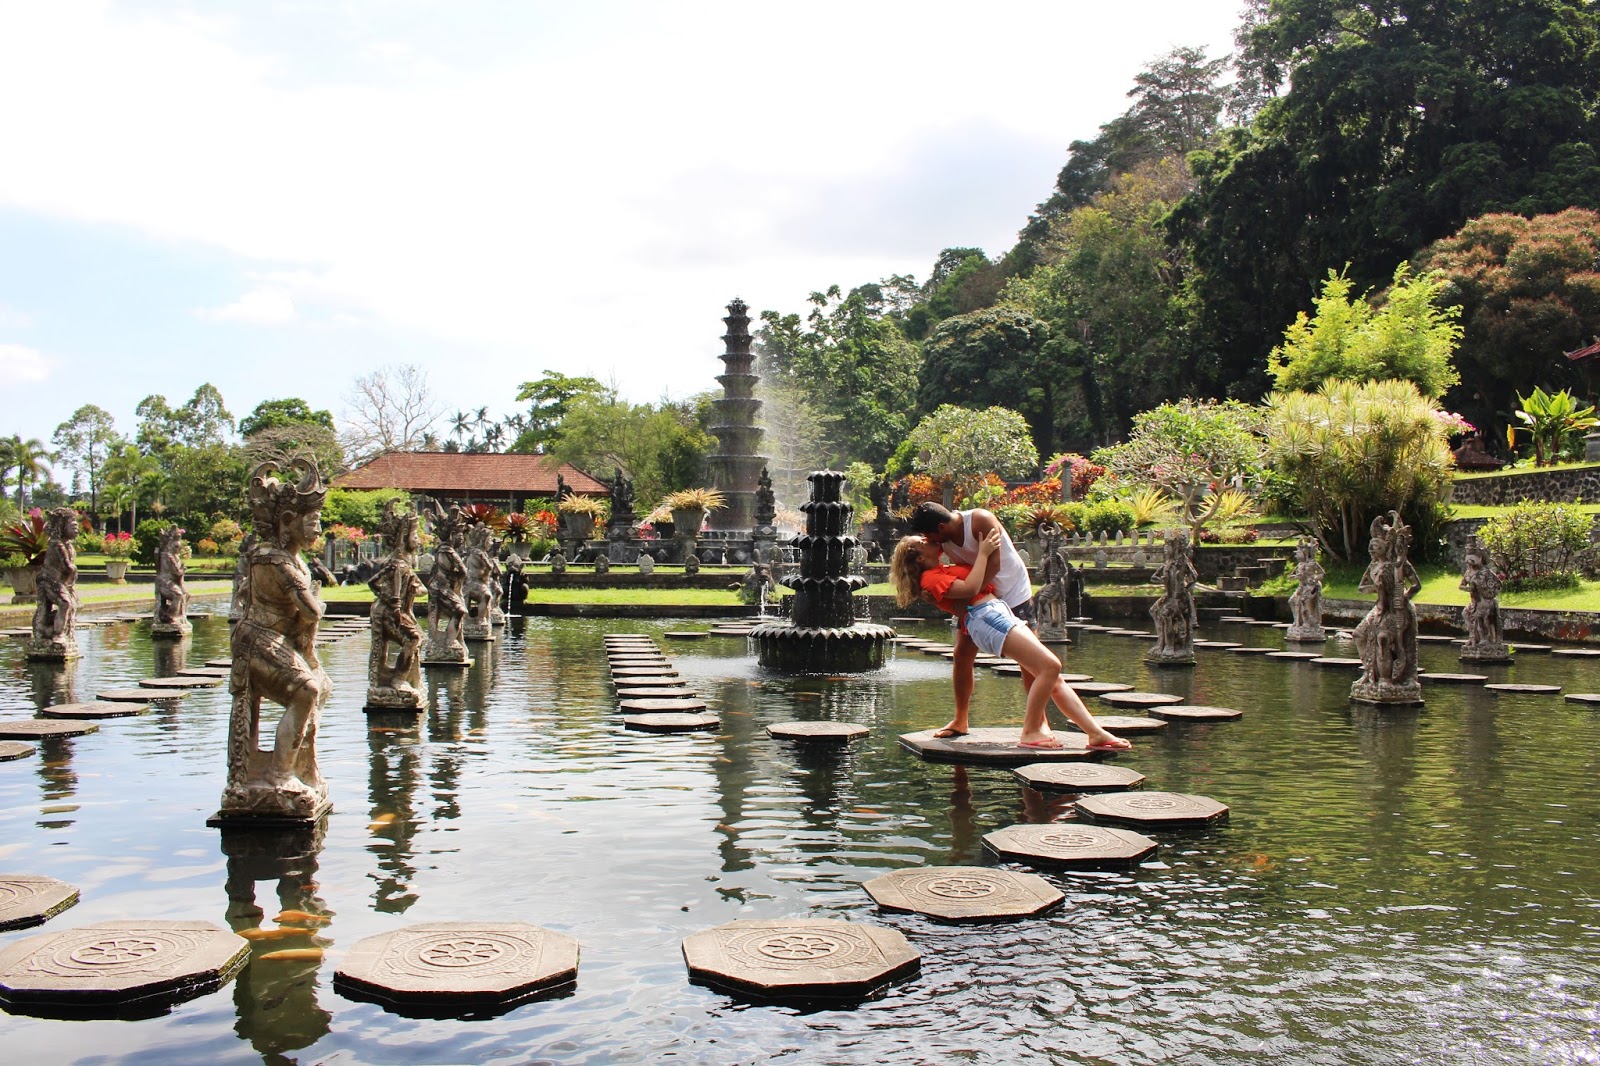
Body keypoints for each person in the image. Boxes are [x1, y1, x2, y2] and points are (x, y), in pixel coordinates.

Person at [891, 529, 1131, 751]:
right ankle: (1031, 731)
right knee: (1050, 666)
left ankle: (1096, 733)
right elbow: (971, 588)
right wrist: (983, 552)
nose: (928, 539)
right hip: (987, 617)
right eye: (922, 542)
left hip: (997, 612)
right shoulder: (930, 579)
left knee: (1051, 676)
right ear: (919, 558)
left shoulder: (943, 569)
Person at [910, 501, 1038, 734]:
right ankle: (960, 720)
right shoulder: (942, 541)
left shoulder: (980, 521)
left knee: (1031, 662)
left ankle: (1040, 722)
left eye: (928, 536)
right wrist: (927, 594)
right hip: (978, 601)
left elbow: (994, 564)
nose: (927, 540)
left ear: (940, 528)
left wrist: (970, 596)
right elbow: (932, 568)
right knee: (962, 655)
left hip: (1011, 592)